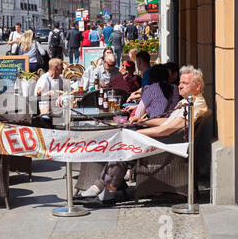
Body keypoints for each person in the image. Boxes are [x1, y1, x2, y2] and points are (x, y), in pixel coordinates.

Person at [76, 65, 208, 200]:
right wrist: (143, 122)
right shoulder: (188, 101)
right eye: (180, 82)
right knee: (123, 145)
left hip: (168, 147)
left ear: (197, 86)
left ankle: (102, 188)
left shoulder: (194, 105)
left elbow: (167, 129)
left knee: (125, 144)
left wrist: (139, 134)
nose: (179, 86)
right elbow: (167, 121)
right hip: (167, 142)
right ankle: (110, 189)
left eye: (185, 83)